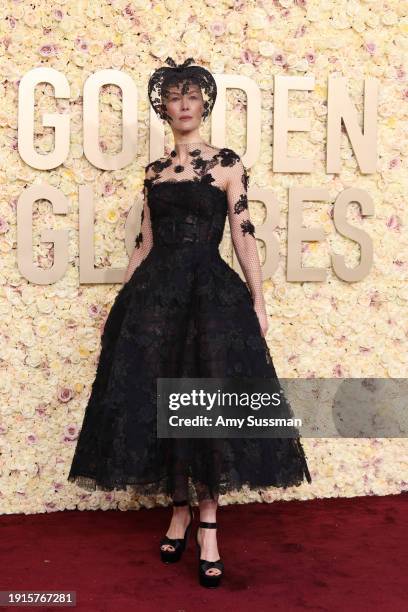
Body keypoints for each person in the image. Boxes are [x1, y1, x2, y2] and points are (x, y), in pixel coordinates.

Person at [68, 57, 312, 589]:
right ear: (164, 107)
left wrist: (259, 299)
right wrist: (126, 297)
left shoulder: (226, 164)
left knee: (206, 409)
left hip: (209, 296)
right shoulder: (154, 172)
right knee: (162, 402)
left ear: (203, 105)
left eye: (192, 96)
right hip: (157, 298)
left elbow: (244, 235)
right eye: (174, 96)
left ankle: (208, 526)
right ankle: (177, 509)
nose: (183, 104)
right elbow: (146, 243)